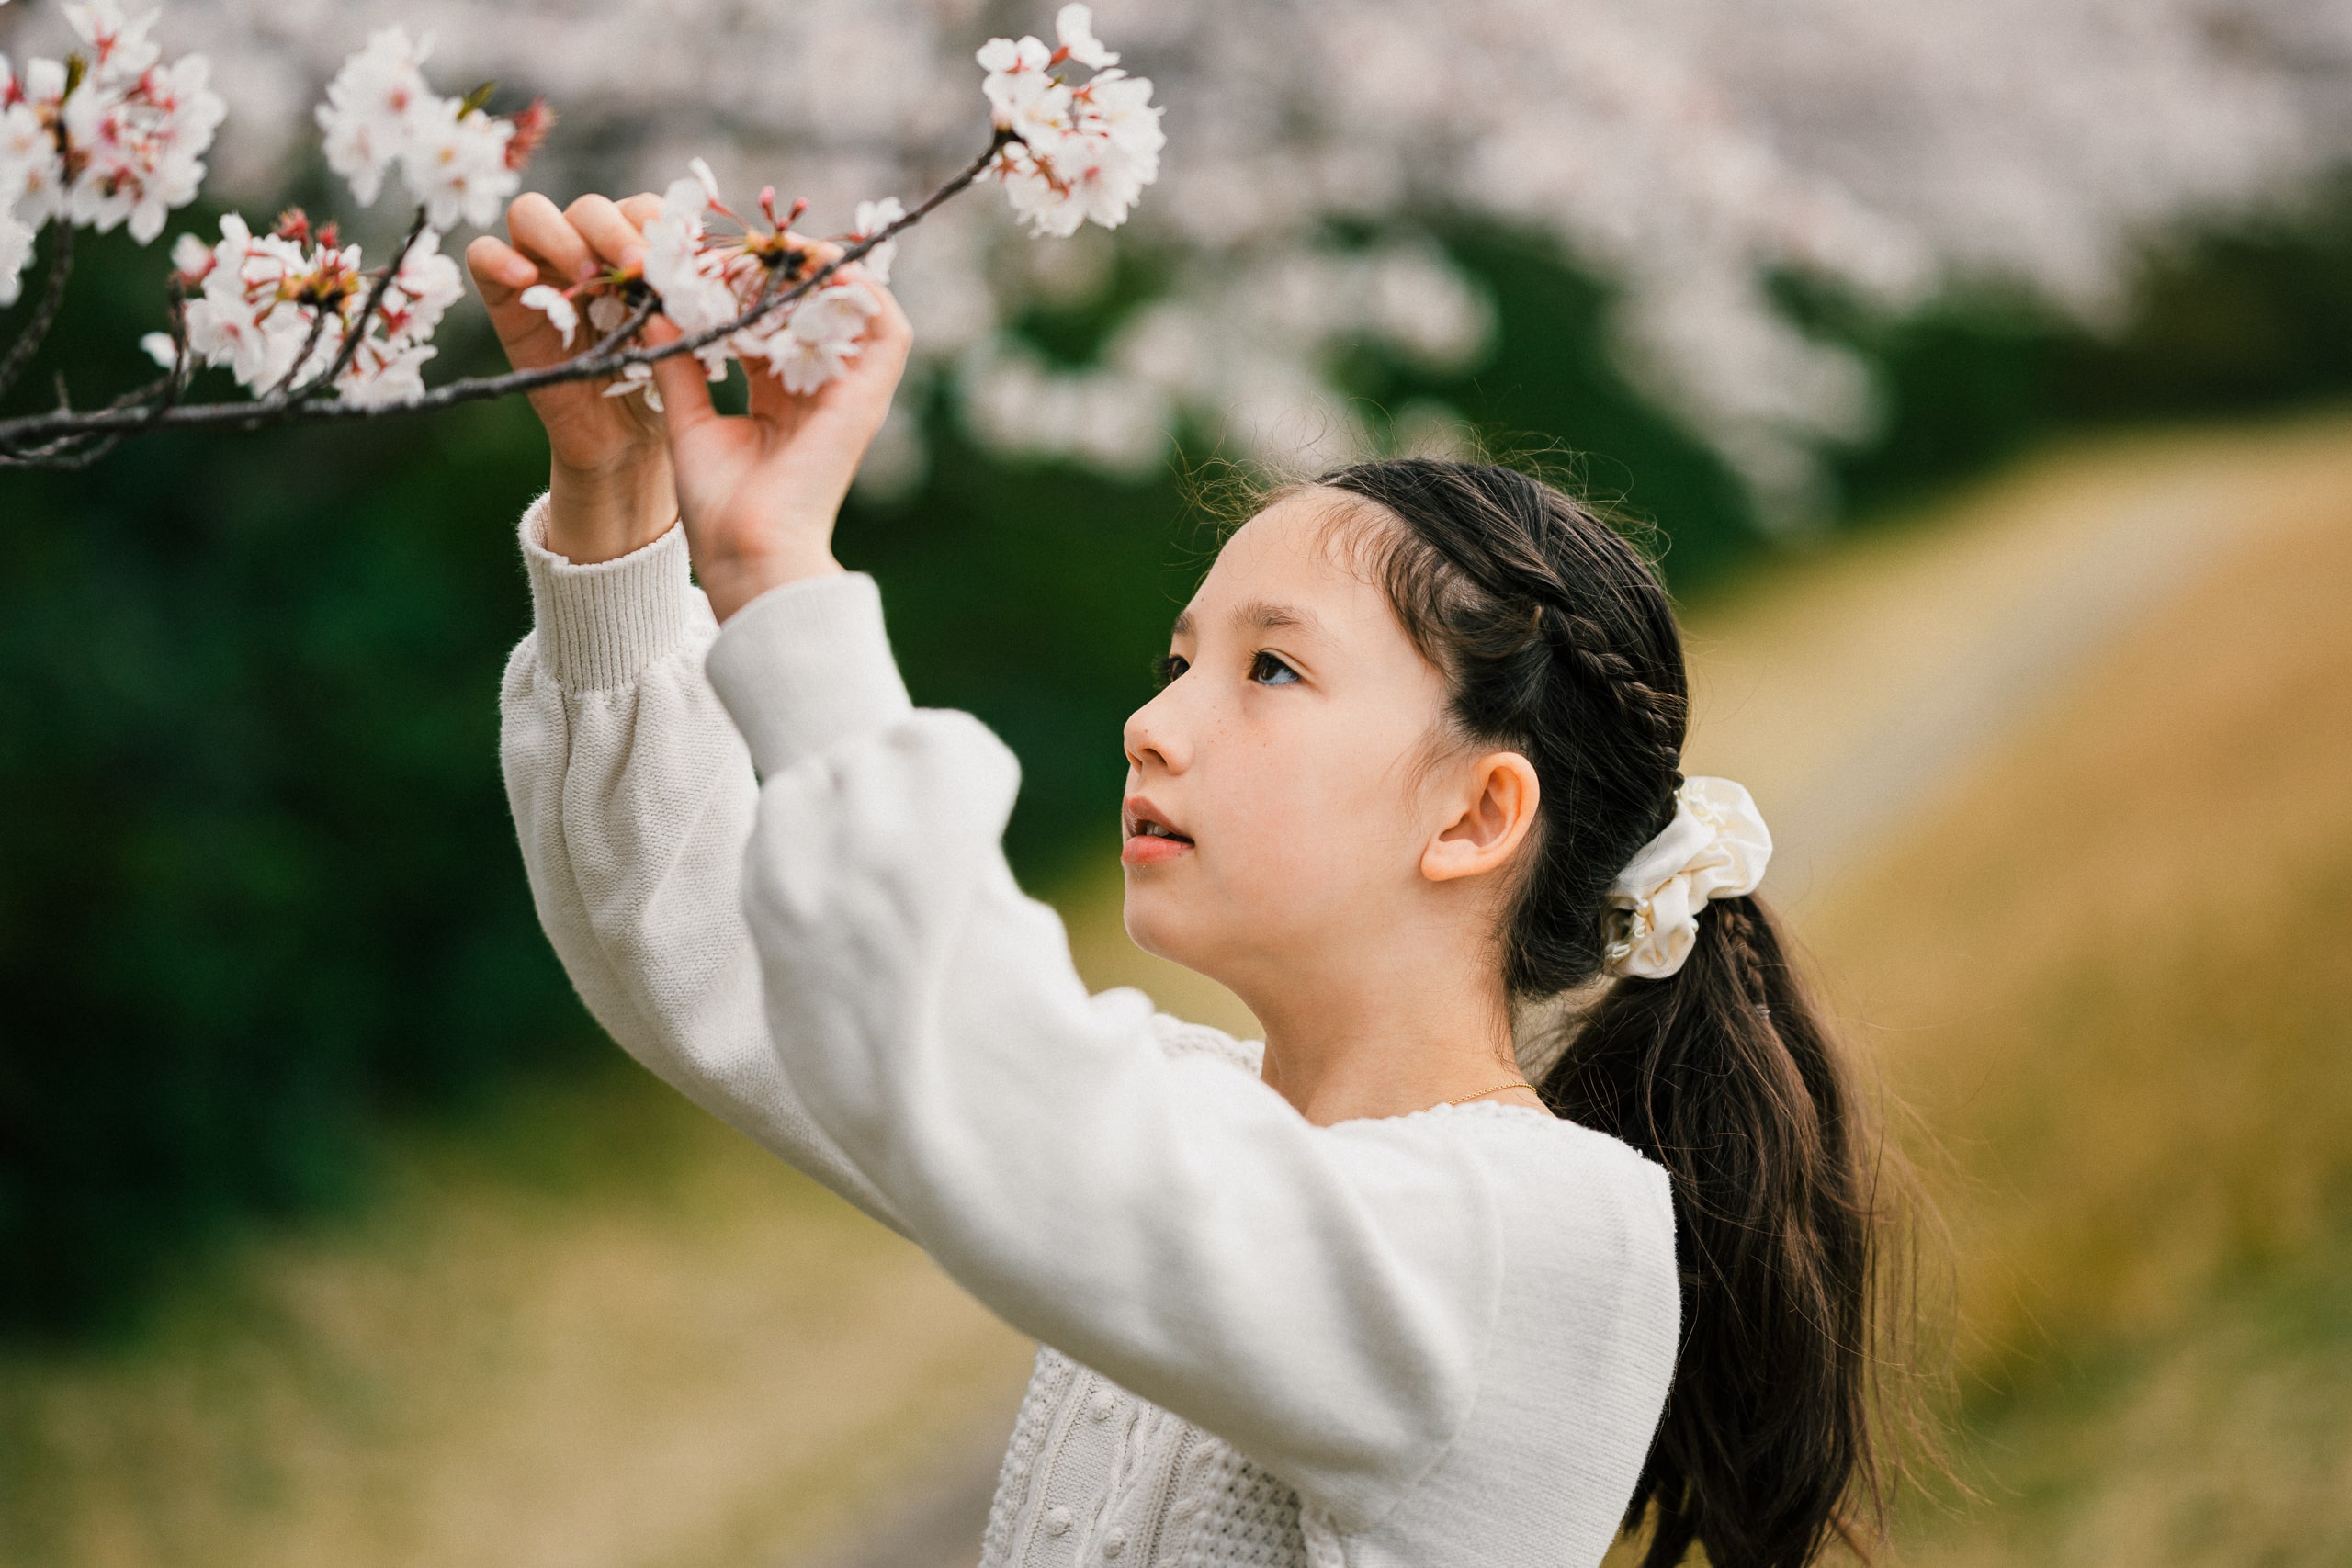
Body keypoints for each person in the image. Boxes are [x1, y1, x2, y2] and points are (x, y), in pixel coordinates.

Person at [468, 191, 1895, 1568]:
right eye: (1178, 660)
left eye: (1271, 667)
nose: (1154, 724)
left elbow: (1020, 1106)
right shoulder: (1188, 1117)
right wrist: (616, 493)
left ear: (1476, 813)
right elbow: (700, 950)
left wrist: (781, 577)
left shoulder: (1537, 1242)